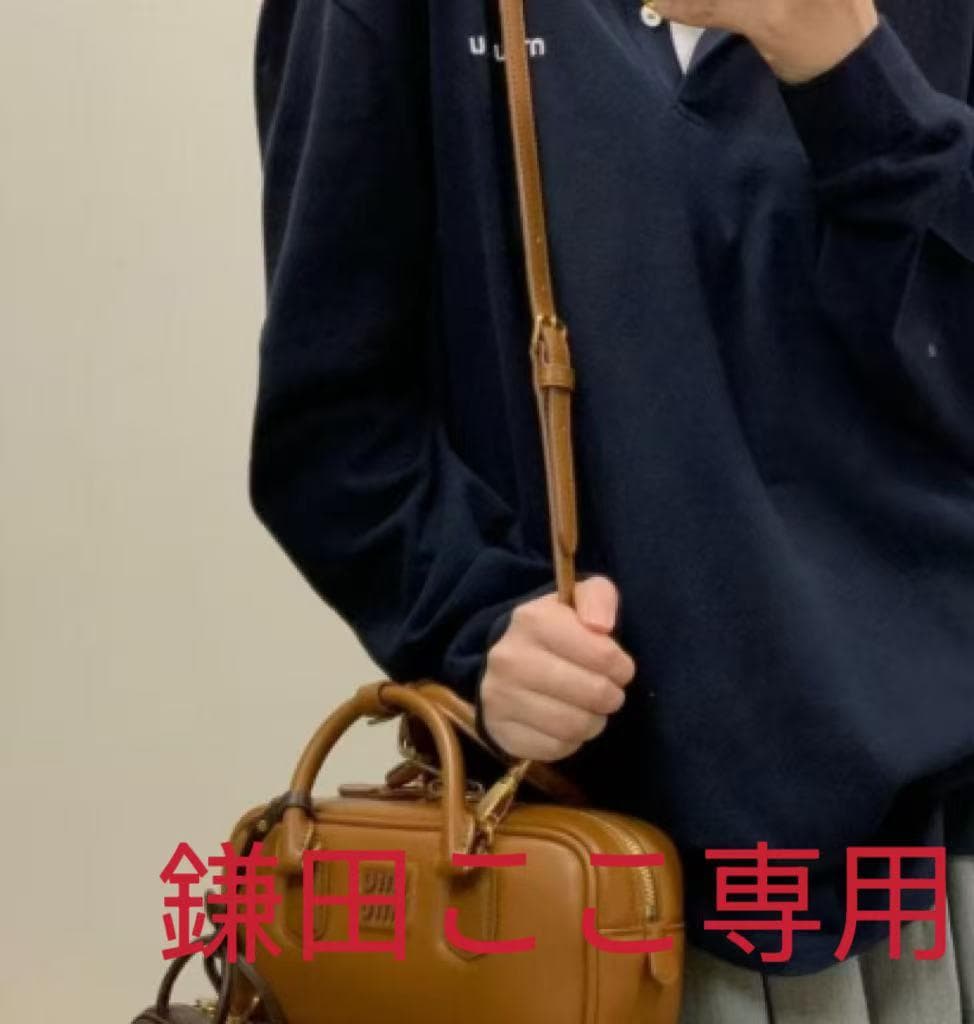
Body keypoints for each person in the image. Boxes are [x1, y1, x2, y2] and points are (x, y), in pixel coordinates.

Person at [248, 0, 974, 1018]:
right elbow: (333, 423)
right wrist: (476, 620)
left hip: (935, 848)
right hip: (614, 877)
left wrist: (854, 75)